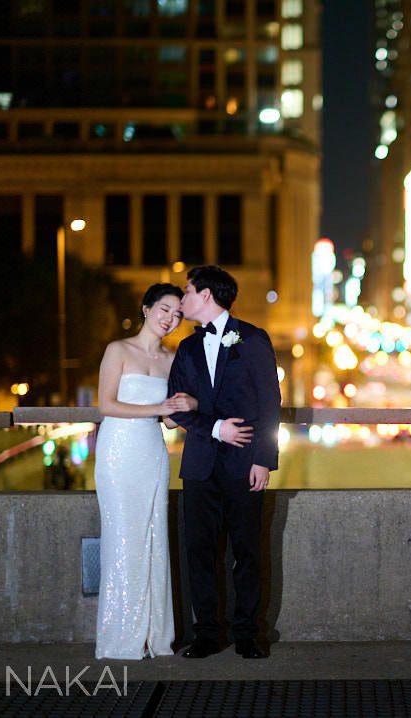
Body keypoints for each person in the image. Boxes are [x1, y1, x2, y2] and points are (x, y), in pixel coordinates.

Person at [167, 265, 281, 660]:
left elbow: (270, 405)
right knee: (199, 551)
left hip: (245, 463)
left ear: (206, 296)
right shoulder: (186, 348)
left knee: (247, 551)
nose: (182, 299)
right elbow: (177, 408)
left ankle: (248, 633)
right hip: (199, 464)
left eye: (187, 291)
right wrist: (216, 429)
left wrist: (264, 460)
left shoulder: (252, 338)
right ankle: (207, 635)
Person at [94, 283, 196, 660]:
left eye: (177, 315)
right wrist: (158, 410)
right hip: (118, 451)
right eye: (164, 310)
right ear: (146, 308)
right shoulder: (118, 350)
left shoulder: (172, 361)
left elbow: (170, 422)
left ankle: (156, 635)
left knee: (155, 536)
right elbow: (106, 404)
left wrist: (190, 407)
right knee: (122, 535)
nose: (170, 319)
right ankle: (121, 638)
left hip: (153, 452)